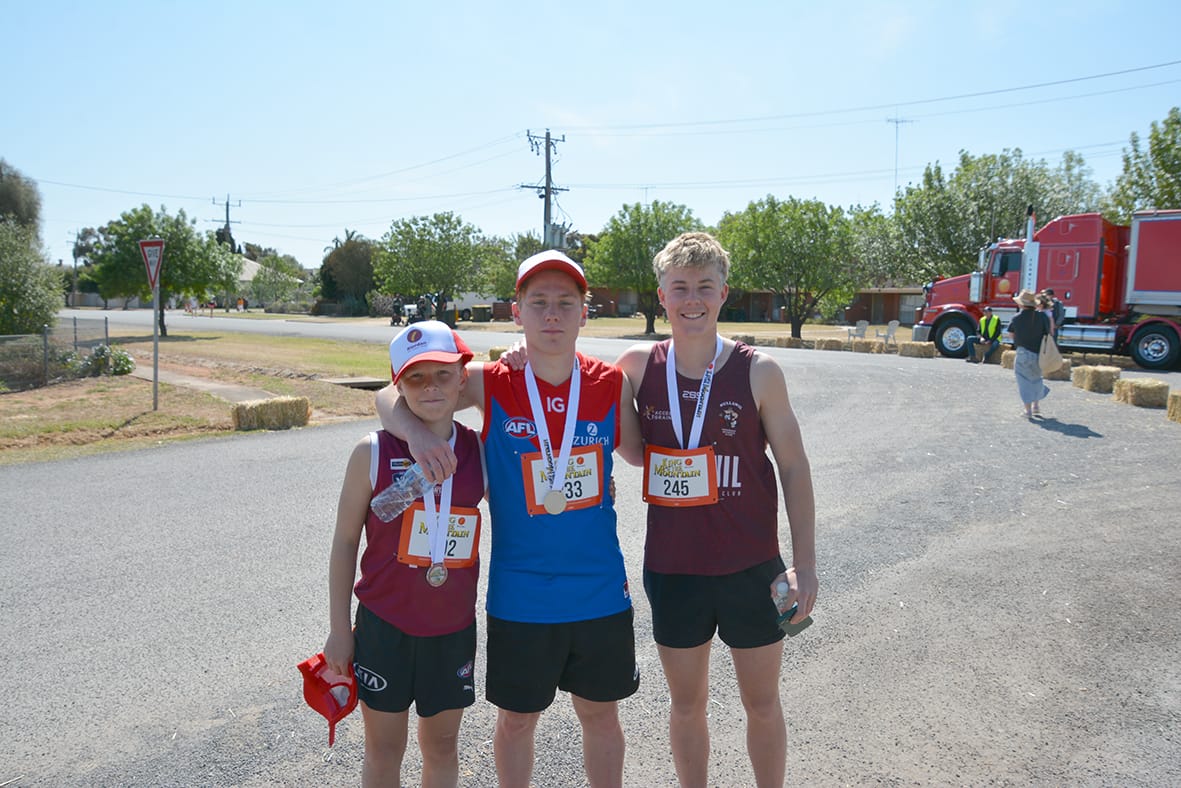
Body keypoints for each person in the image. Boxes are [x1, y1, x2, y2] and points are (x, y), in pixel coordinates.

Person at [375, 251, 644, 788]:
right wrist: (421, 435)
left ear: (584, 313)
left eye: (565, 303)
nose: (551, 315)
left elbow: (638, 454)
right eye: (538, 303)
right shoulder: (494, 381)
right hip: (521, 595)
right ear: (516, 312)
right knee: (517, 721)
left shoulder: (609, 384)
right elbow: (389, 395)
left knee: (601, 716)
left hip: (599, 590)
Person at [614, 231, 818, 788]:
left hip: (752, 568)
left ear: (724, 292)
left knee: (763, 704)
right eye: (679, 287)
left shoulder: (758, 371)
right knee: (686, 707)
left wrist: (806, 564)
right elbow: (630, 450)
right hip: (675, 571)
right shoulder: (635, 365)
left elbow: (795, 468)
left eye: (705, 286)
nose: (692, 298)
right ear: (662, 296)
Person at [324, 320, 483, 787]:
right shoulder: (371, 451)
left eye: (442, 374)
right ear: (398, 384)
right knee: (384, 749)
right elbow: (345, 541)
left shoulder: (478, 451)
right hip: (383, 626)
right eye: (415, 377)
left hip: (452, 629)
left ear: (462, 378)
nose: (430, 387)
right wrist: (339, 629)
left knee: (441, 747)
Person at [1007, 289, 1051, 419]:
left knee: (1024, 381)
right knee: (1036, 378)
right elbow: (1048, 333)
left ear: (1021, 304)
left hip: (1023, 352)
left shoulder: (1016, 318)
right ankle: (1036, 406)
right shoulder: (1042, 316)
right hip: (1039, 353)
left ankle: (1028, 411)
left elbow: (1010, 334)